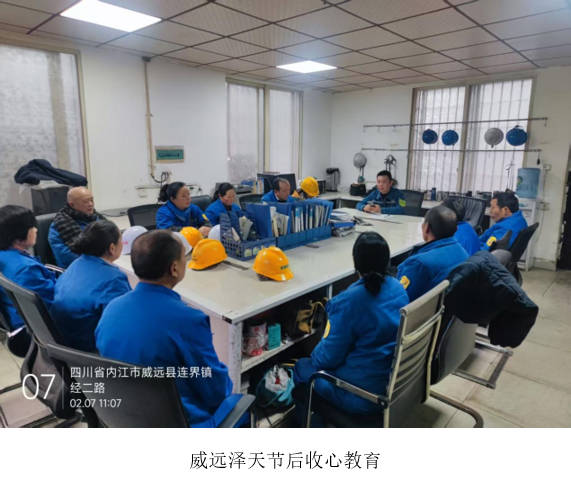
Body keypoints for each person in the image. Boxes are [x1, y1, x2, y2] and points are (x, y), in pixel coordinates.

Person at [95, 230, 243, 427]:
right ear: (174, 268)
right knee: (240, 401)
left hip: (125, 415)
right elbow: (215, 391)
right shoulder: (188, 320)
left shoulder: (112, 308)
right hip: (179, 421)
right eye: (184, 258)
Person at [293, 232, 409, 420]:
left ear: (356, 263)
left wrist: (312, 354)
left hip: (361, 395)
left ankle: (311, 423)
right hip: (393, 384)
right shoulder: (398, 289)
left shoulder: (348, 302)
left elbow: (327, 359)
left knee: (302, 368)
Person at [50, 221, 131, 352]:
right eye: (121, 240)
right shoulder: (113, 279)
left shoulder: (76, 263)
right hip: (90, 348)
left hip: (66, 340)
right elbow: (123, 323)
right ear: (112, 248)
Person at [0, 205, 57, 335]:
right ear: (18, 234)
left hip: (20, 319)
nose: (36, 230)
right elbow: (53, 304)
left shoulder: (4, 255)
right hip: (37, 329)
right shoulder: (26, 270)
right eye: (32, 227)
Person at [397, 205, 468, 302]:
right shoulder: (463, 252)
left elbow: (399, 300)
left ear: (426, 228)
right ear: (456, 229)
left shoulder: (418, 264)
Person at [48, 187, 105, 268]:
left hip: (101, 262)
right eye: (85, 201)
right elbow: (67, 257)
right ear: (72, 205)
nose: (90, 204)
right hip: (78, 269)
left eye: (91, 200)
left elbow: (112, 236)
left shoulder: (97, 217)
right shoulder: (60, 225)